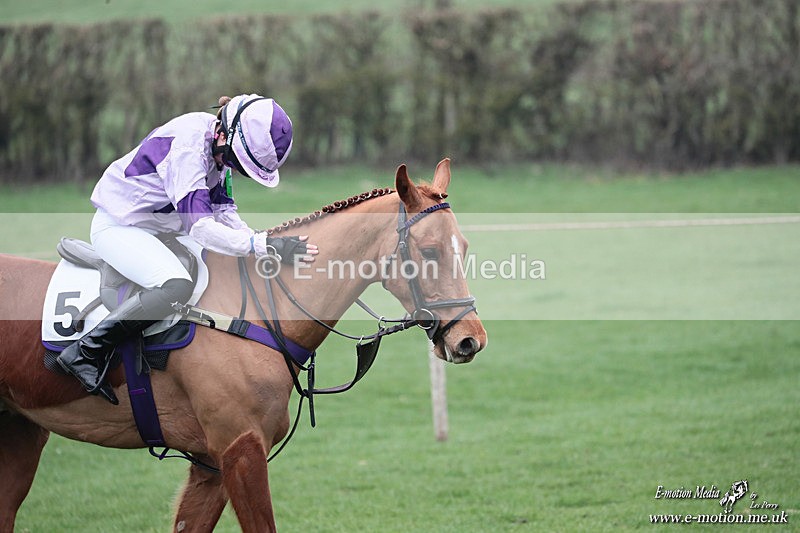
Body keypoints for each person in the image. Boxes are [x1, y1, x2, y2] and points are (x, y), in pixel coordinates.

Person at [57, 94, 318, 405]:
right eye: (237, 163)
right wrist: (259, 245)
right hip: (120, 227)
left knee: (225, 269)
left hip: (162, 229)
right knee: (176, 285)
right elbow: (201, 228)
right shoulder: (189, 148)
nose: (235, 169)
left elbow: (224, 212)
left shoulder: (220, 144)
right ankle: (84, 352)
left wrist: (260, 241)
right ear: (224, 135)